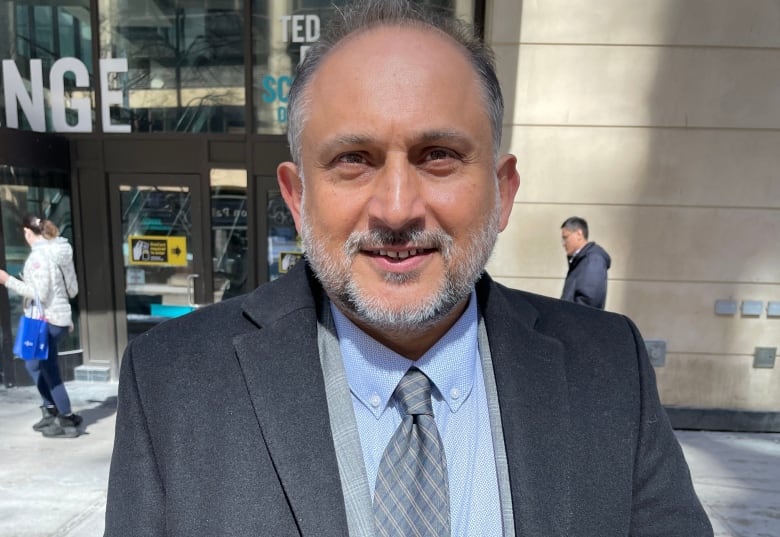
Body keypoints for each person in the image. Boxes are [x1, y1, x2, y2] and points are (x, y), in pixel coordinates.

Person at [105, 1, 713, 535]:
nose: (397, 208)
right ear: (297, 198)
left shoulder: (611, 369)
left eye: (439, 156)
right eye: (352, 159)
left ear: (502, 192)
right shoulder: (172, 385)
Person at [0, 215, 81, 438]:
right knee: (33, 365)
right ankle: (51, 410)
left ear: (28, 232)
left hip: (46, 320)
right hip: (59, 319)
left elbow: (38, 293)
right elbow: (72, 289)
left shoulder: (39, 257)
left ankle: (65, 419)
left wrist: (7, 280)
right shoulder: (59, 250)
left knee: (47, 369)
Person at [560, 216, 611, 309]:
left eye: (565, 237)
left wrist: (568, 320)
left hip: (578, 322)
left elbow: (589, 301)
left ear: (579, 234)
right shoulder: (581, 260)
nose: (564, 243)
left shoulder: (593, 259)